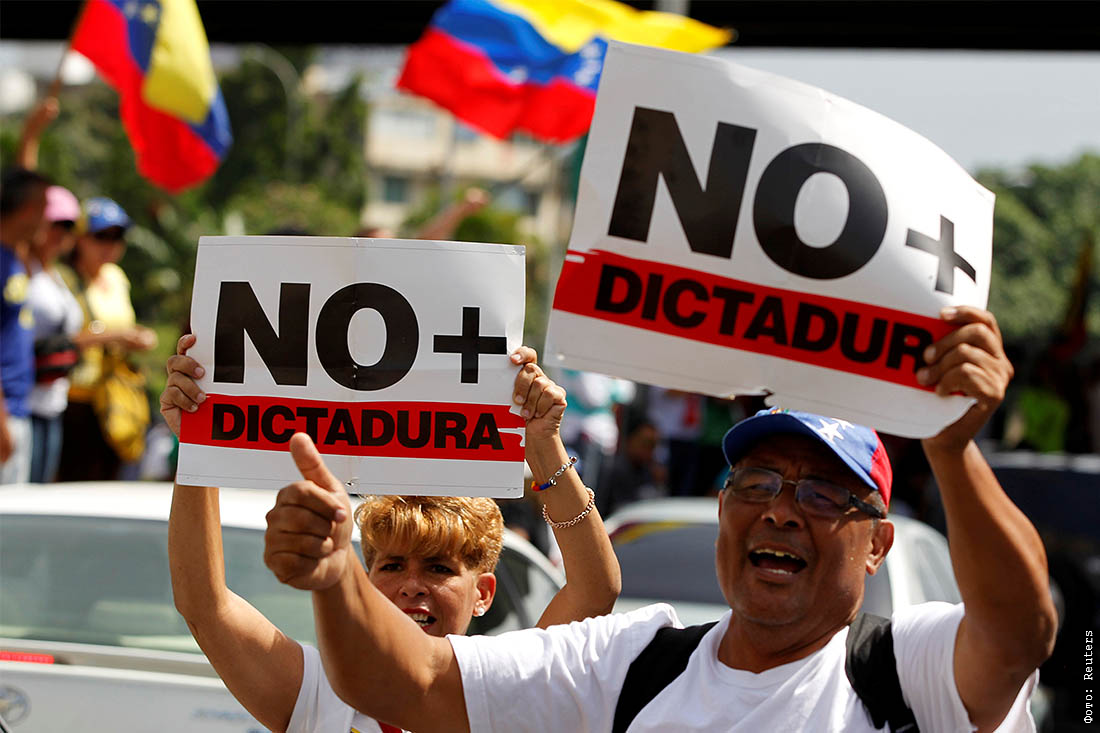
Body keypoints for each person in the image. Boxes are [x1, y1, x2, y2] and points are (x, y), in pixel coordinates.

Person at [265, 306, 1056, 732]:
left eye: (821, 494)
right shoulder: (630, 665)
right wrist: (336, 574)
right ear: (724, 507)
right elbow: (405, 683)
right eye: (758, 482)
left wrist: (952, 450)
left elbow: (1020, 632)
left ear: (878, 543)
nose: (781, 510)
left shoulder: (903, 670)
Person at [161, 337, 620, 732]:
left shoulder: (509, 688)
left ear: (482, 594)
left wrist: (543, 444)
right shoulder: (317, 693)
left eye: (438, 568)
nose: (411, 585)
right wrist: (196, 441)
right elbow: (204, 603)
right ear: (366, 578)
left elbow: (594, 590)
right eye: (393, 565)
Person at [56, 197, 157, 480]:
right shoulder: (62, 278)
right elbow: (58, 339)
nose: (110, 245)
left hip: (114, 397)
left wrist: (139, 337)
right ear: (79, 238)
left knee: (112, 483)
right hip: (75, 401)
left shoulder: (116, 277)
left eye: (117, 237)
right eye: (101, 236)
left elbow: (125, 325)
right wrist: (116, 336)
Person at [25, 185, 85, 482]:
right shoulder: (20, 265)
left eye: (68, 226)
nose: (60, 233)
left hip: (53, 401)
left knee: (41, 493)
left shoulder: (58, 275)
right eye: (55, 224)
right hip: (22, 403)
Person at [1, 167, 50, 484]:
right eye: (44, 208)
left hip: (18, 410)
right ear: (29, 209)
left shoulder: (14, 256)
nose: (48, 220)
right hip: (5, 415)